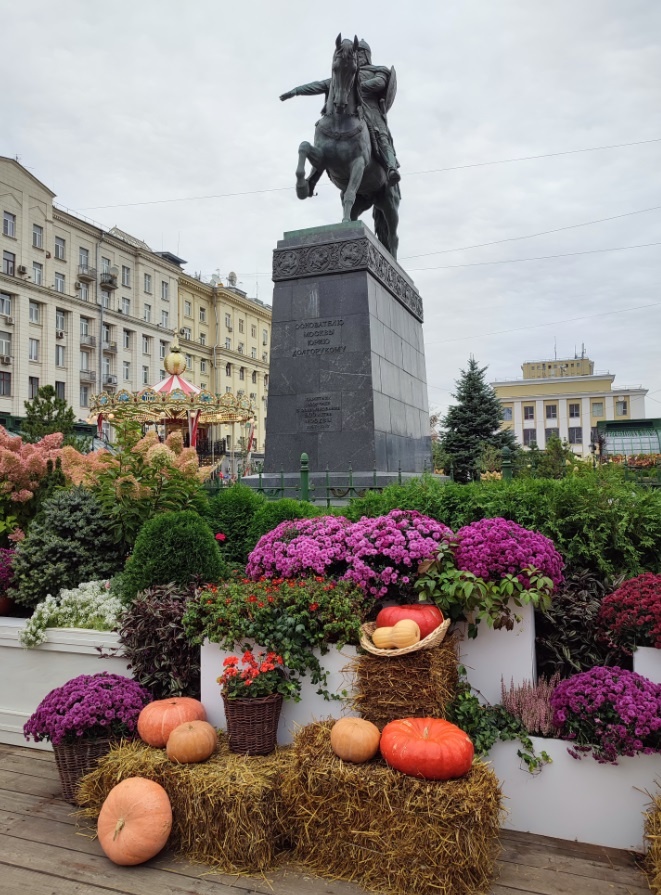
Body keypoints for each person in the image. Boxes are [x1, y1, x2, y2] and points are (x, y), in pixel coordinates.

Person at [280, 39, 400, 187]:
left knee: (381, 135)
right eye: (356, 54)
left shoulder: (378, 70)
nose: (358, 57)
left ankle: (391, 168)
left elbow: (379, 83)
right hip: (349, 109)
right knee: (326, 135)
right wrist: (296, 91)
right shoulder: (346, 74)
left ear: (367, 55)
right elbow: (318, 85)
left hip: (370, 109)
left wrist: (355, 87)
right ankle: (313, 177)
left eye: (360, 54)